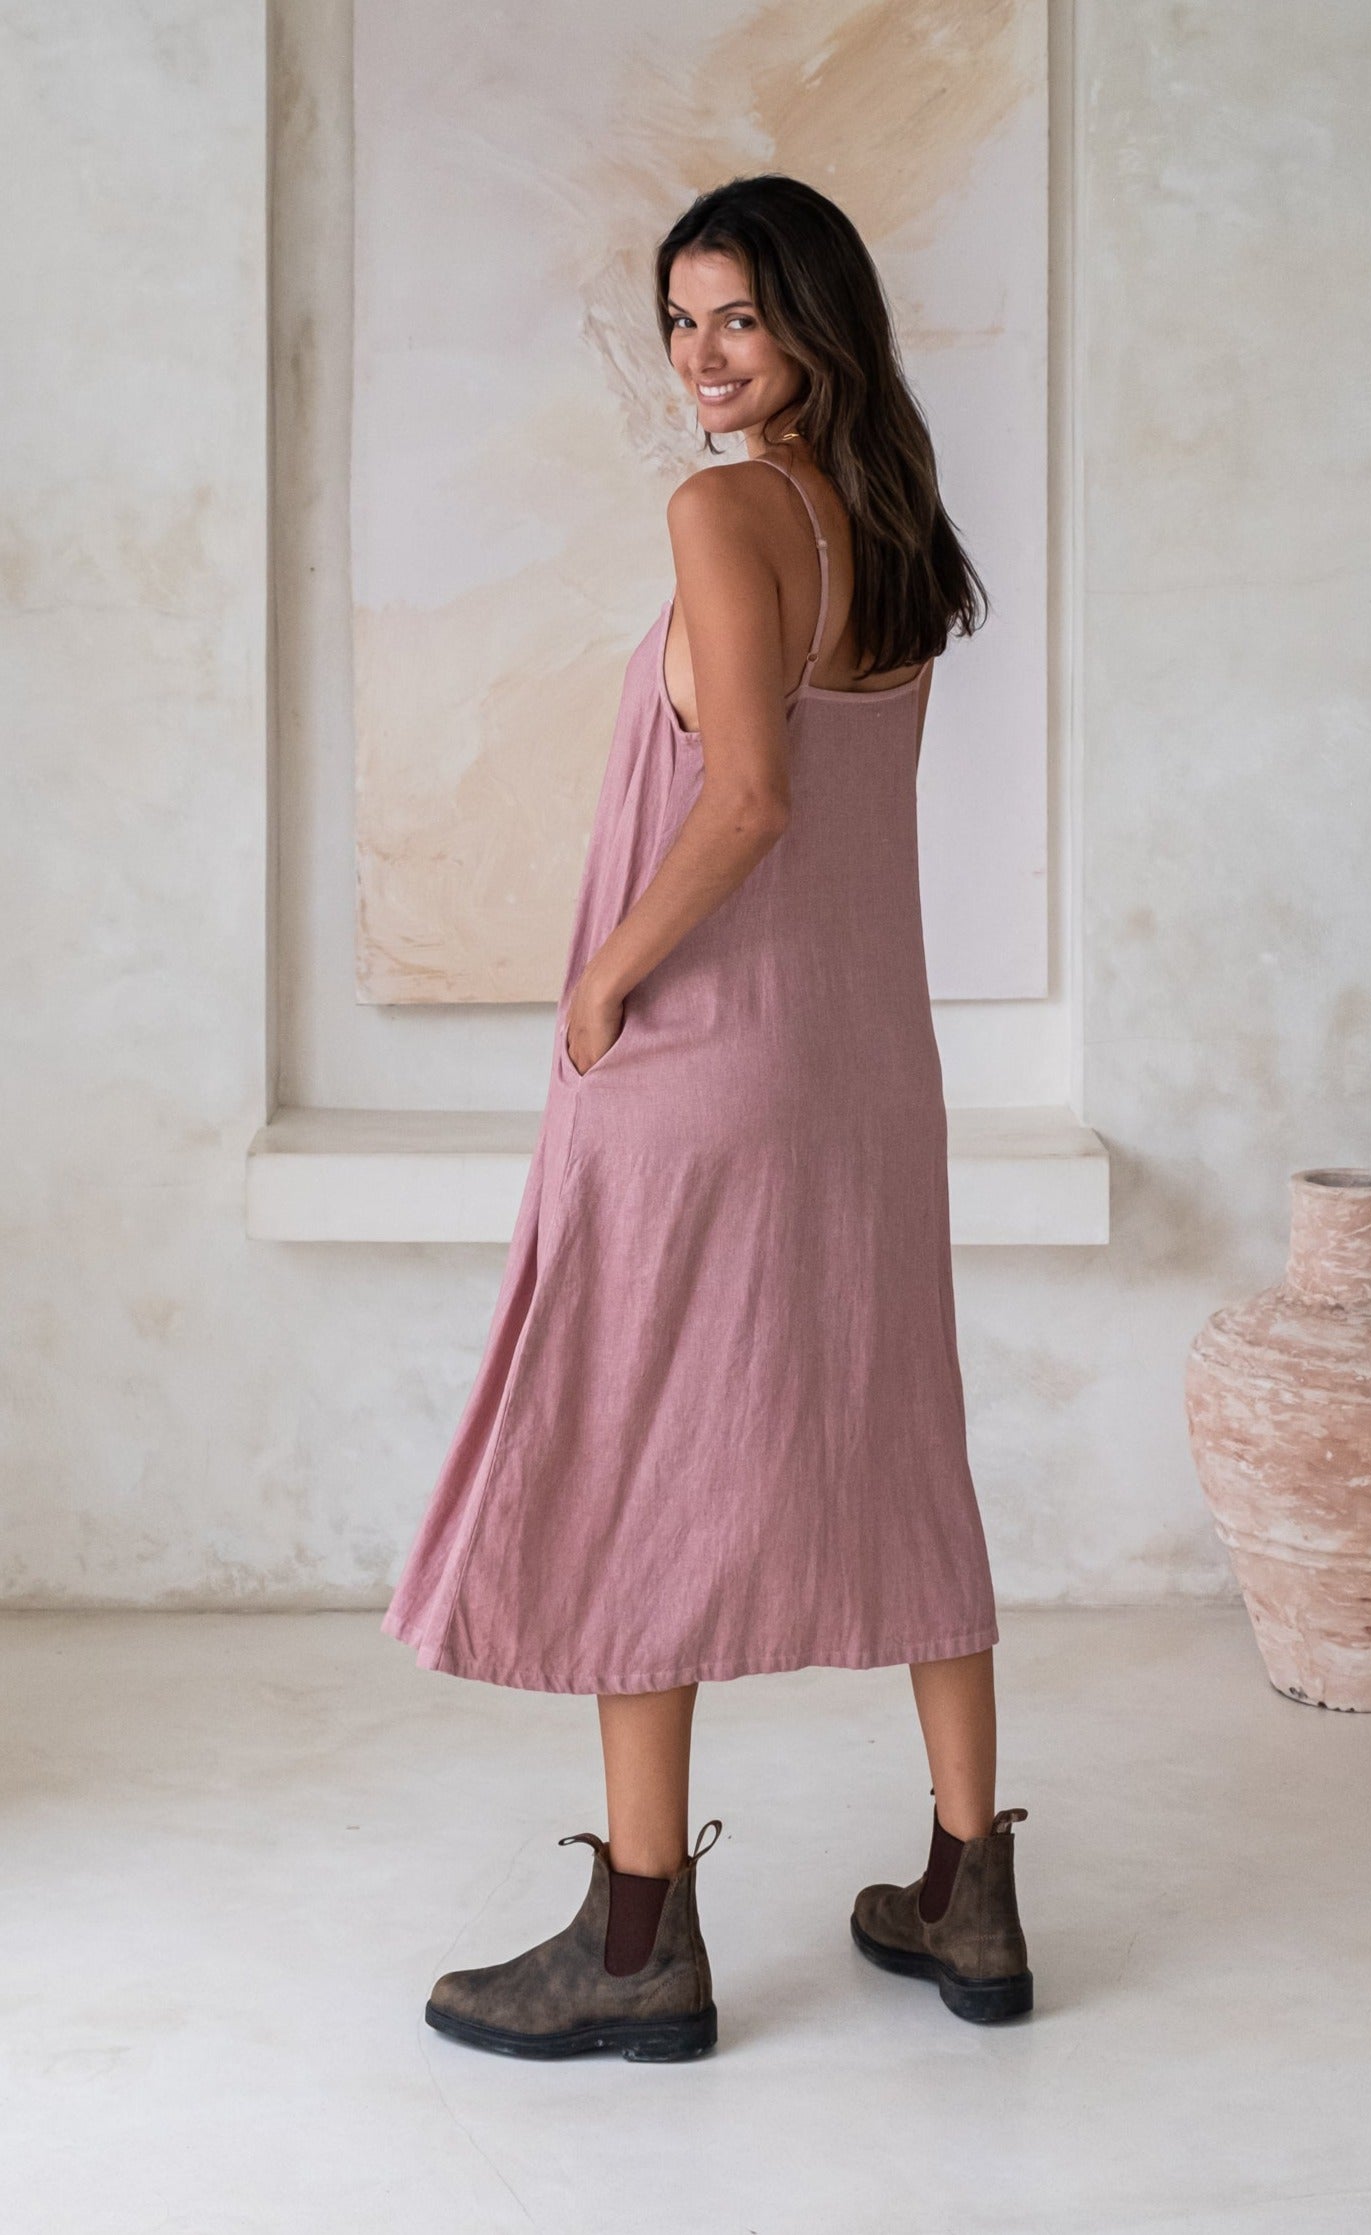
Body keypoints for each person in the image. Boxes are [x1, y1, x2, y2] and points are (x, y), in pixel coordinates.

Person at [382, 174, 1032, 2062]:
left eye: (735, 318)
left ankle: (639, 1940)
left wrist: (600, 985)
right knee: (905, 1437)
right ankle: (968, 1892)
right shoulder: (892, 532)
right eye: (680, 323)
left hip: (708, 1068)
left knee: (634, 1446)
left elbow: (746, 801)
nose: (700, 360)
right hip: (866, 1077)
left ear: (816, 319)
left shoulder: (726, 510)